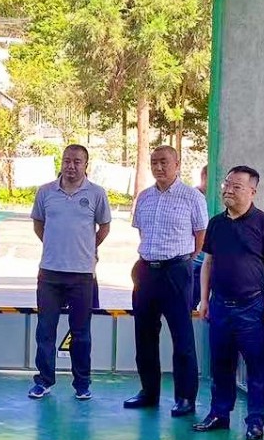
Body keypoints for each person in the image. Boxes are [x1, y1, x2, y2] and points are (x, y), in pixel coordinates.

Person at [193, 166, 264, 440]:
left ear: (252, 191)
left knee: (256, 367)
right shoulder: (216, 223)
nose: (228, 190)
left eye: (237, 186)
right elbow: (208, 263)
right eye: (226, 185)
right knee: (220, 365)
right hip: (220, 305)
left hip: (252, 307)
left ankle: (255, 421)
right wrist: (204, 299)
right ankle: (219, 414)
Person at [125, 145, 208, 418]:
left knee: (181, 337)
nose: (158, 167)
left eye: (164, 162)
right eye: (154, 162)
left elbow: (201, 235)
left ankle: (185, 397)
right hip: (146, 271)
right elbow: (143, 233)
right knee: (144, 335)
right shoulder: (145, 197)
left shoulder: (192, 197)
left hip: (176, 271)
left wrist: (185, 262)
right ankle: (149, 392)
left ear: (177, 164)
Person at [28, 144, 112, 401]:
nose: (71, 166)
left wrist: (87, 248)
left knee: (81, 333)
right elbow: (39, 224)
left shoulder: (96, 193)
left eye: (77, 161)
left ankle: (82, 384)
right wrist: (55, 245)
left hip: (82, 275)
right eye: (67, 160)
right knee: (45, 331)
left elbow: (104, 227)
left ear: (86, 165)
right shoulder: (45, 192)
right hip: (49, 274)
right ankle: (43, 381)